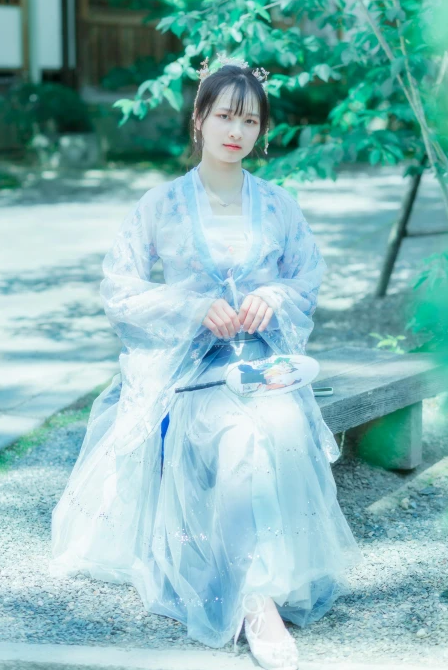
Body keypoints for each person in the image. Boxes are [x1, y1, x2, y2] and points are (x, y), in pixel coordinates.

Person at [49, 52, 364, 670]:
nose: (236, 132)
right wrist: (191, 305)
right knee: (236, 442)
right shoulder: (160, 205)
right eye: (224, 115)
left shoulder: (277, 206)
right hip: (189, 374)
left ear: (262, 129)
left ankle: (262, 587)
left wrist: (273, 296)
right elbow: (120, 288)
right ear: (198, 118)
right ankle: (255, 603)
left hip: (266, 367)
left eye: (249, 121)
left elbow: (307, 276)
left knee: (278, 431)